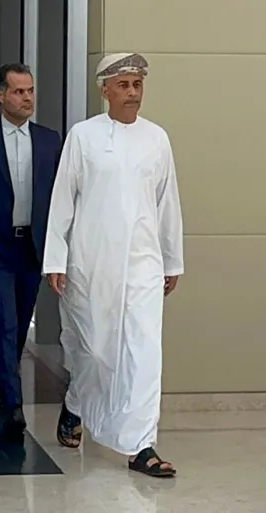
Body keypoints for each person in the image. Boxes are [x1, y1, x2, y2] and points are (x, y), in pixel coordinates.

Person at [43, 53, 184, 478]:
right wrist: (56, 257)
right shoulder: (83, 136)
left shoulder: (157, 138)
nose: (132, 93)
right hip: (91, 263)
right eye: (123, 85)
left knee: (144, 353)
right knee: (95, 353)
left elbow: (167, 202)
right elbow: (63, 199)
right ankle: (75, 405)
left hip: (143, 264)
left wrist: (172, 258)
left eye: (137, 85)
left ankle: (142, 445)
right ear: (104, 90)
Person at [0, 63, 62, 438]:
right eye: (19, 91)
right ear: (1, 95)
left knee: (18, 323)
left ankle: (4, 381)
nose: (27, 98)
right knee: (3, 322)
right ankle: (12, 402)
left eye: (31, 90)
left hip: (32, 247)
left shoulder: (50, 140)